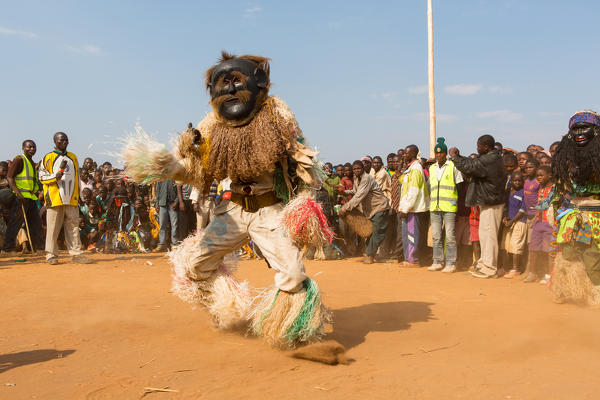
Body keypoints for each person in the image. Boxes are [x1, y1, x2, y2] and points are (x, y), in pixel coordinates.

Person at [123, 51, 330, 347]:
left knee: (294, 274)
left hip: (269, 212)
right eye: (224, 82)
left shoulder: (276, 114)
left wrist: (304, 202)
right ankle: (225, 308)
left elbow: (303, 163)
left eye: (237, 81)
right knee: (194, 265)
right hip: (231, 212)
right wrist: (168, 167)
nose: (231, 89)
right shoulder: (211, 125)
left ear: (258, 82)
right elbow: (195, 172)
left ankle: (293, 327)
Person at [550, 111, 600, 305]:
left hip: (596, 217)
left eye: (584, 128)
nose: (579, 132)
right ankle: (568, 288)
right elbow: (560, 188)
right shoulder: (565, 157)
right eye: (575, 129)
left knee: (593, 256)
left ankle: (595, 292)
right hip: (571, 214)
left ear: (595, 131)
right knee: (568, 253)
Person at [449, 134, 506, 278]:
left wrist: (455, 157)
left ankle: (489, 268)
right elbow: (473, 162)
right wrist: (460, 156)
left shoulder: (491, 159)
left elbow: (471, 166)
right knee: (484, 234)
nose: (477, 148)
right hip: (488, 201)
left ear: (486, 147)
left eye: (478, 145)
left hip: (492, 202)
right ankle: (483, 263)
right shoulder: (490, 158)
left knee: (489, 235)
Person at [39, 132, 91, 264]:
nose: (64, 142)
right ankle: (51, 255)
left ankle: (76, 253)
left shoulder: (73, 157)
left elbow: (76, 178)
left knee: (73, 226)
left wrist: (79, 195)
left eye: (66, 140)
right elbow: (41, 177)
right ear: (55, 141)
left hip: (71, 198)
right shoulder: (48, 157)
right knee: (53, 227)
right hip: (55, 197)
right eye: (61, 140)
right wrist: (53, 177)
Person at [338, 160, 390, 264]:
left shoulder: (366, 178)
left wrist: (345, 208)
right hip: (370, 210)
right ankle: (369, 254)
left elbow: (359, 195)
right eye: (355, 169)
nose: (356, 170)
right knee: (370, 232)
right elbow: (355, 191)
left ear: (363, 169)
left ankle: (370, 255)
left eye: (358, 168)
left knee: (377, 233)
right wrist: (344, 192)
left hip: (380, 207)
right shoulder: (357, 178)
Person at [2, 140, 45, 255]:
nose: (32, 149)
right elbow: (10, 177)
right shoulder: (19, 160)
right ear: (23, 148)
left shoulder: (31, 162)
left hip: (30, 197)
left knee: (35, 223)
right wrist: (18, 193)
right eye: (29, 147)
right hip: (21, 197)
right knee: (15, 223)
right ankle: (7, 249)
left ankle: (39, 248)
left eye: (34, 147)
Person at [427, 138, 462, 273]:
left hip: (449, 207)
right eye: (436, 153)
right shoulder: (431, 168)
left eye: (441, 153)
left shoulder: (453, 166)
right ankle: (437, 261)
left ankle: (451, 262)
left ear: (445, 154)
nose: (438, 155)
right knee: (436, 236)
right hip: (435, 207)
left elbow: (459, 185)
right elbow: (430, 186)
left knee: (450, 236)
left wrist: (455, 202)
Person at [398, 144, 429, 267]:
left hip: (413, 209)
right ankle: (409, 259)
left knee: (412, 235)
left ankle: (413, 260)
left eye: (406, 153)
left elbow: (414, 191)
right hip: (409, 208)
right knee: (407, 235)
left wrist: (405, 208)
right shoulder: (410, 169)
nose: (404, 155)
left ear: (413, 154)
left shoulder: (416, 169)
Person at [524, 166, 554, 284]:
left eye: (541, 175)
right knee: (533, 249)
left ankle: (549, 274)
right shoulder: (540, 187)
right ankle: (532, 273)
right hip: (538, 221)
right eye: (538, 176)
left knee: (549, 250)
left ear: (550, 175)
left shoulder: (554, 189)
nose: (539, 178)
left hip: (549, 223)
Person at [501, 170, 527, 278]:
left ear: (522, 182)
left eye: (519, 180)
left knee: (516, 246)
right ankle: (504, 268)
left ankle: (515, 269)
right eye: (514, 180)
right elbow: (506, 207)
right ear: (511, 181)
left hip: (520, 221)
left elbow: (522, 210)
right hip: (508, 221)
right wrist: (505, 218)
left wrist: (512, 221)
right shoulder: (508, 191)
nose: (517, 182)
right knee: (505, 245)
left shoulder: (524, 193)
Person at [154, 179, 179, 252]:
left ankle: (174, 244)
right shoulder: (161, 177)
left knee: (174, 224)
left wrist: (176, 201)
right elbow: (157, 191)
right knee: (162, 225)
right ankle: (162, 244)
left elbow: (179, 191)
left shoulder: (175, 176)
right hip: (162, 203)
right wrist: (157, 204)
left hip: (172, 203)